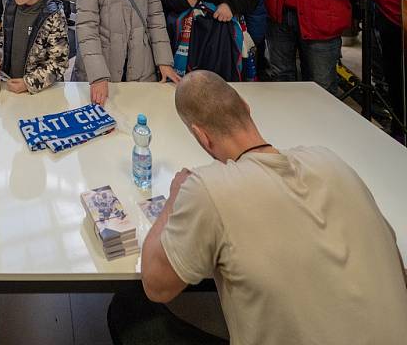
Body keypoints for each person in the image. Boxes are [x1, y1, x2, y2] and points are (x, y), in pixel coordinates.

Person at [131, 69, 407, 345]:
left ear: (201, 136)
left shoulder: (208, 189)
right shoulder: (328, 160)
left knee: (129, 313)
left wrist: (174, 197)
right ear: (248, 109)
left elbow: (156, 285)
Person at [373, 0, 405, 138]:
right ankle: (398, 123)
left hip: (400, 13)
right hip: (390, 9)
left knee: (398, 73)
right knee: (393, 73)